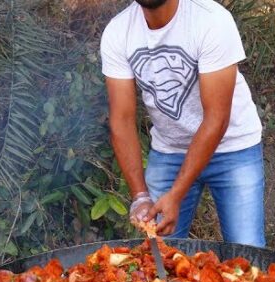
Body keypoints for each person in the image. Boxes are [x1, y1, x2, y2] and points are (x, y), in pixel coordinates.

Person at [100, 0, 266, 247]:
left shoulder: (210, 20)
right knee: (158, 256)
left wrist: (176, 195)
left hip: (233, 146)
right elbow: (122, 120)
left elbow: (216, 119)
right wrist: (140, 196)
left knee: (247, 252)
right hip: (170, 150)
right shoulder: (118, 32)